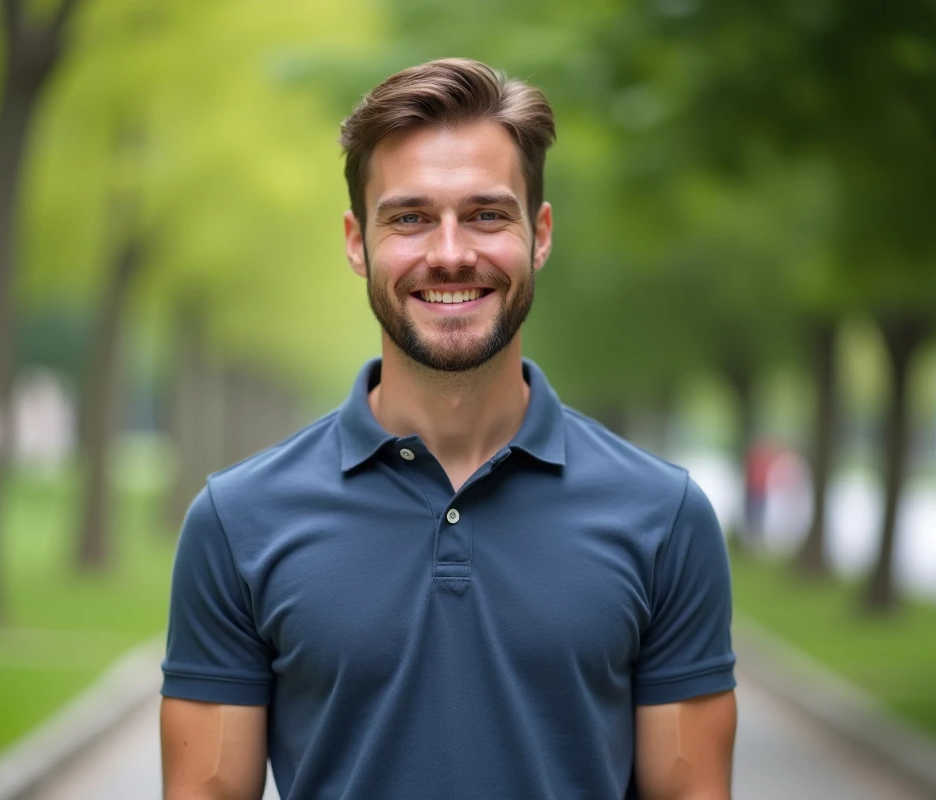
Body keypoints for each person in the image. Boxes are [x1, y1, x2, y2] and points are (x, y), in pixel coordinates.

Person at [159, 58, 737, 800]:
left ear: (541, 234)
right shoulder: (237, 523)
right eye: (410, 218)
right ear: (356, 242)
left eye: (487, 214)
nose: (451, 252)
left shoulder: (665, 519)